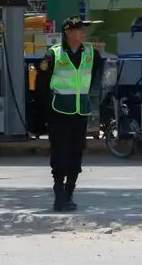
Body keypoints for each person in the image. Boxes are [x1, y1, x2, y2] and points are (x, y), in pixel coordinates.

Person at [35, 16, 104, 211]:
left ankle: (70, 191)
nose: (83, 32)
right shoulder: (53, 55)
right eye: (79, 29)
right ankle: (59, 194)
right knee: (60, 154)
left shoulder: (92, 54)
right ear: (68, 32)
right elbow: (41, 85)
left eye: (84, 29)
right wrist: (46, 111)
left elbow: (96, 77)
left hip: (79, 111)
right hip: (58, 112)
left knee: (76, 152)